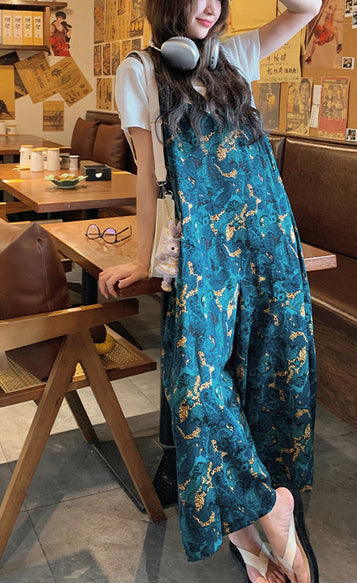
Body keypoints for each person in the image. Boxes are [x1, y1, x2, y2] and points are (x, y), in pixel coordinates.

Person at [99, 1, 322, 582]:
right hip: (205, 249)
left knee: (276, 370)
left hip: (270, 237)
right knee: (194, 386)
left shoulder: (235, 55)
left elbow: (306, 8)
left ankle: (253, 531)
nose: (209, 6)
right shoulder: (139, 70)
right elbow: (147, 176)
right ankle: (267, 508)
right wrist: (142, 258)